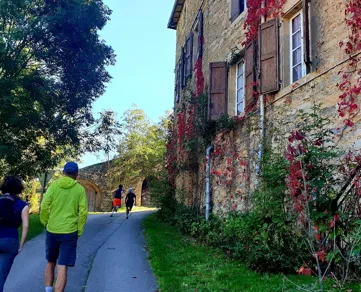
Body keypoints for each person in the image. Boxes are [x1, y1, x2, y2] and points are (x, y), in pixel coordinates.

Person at [40, 162, 88, 292]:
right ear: (77, 174)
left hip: (52, 229)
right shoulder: (80, 190)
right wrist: (79, 230)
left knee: (50, 262)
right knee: (62, 266)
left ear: (63, 172)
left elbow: (44, 206)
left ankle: (48, 290)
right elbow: (83, 212)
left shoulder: (53, 186)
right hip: (69, 231)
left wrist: (45, 222)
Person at [0, 176, 29, 292]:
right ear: (19, 189)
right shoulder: (23, 205)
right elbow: (26, 226)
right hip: (10, 242)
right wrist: (21, 245)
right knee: (1, 276)